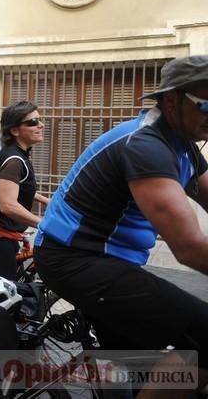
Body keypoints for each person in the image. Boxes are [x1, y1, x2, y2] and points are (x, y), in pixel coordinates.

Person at [35, 55, 208, 396]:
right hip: (76, 259)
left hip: (112, 262)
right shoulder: (145, 145)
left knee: (144, 364)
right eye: (206, 105)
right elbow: (189, 248)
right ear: (172, 100)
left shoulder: (184, 145)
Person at [0, 101, 49, 280]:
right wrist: (44, 224)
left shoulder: (16, 154)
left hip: (4, 233)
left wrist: (47, 201)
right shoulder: (14, 160)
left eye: (40, 120)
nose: (41, 124)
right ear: (14, 130)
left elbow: (16, 189)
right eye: (33, 122)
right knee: (2, 298)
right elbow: (8, 205)